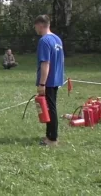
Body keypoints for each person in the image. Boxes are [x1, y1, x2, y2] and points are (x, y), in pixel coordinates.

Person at [34, 15, 65, 147]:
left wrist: (42, 84)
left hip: (49, 81)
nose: (35, 29)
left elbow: (45, 63)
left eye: (35, 26)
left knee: (50, 109)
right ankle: (49, 135)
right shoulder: (57, 39)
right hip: (57, 78)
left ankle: (52, 139)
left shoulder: (44, 41)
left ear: (40, 25)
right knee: (50, 107)